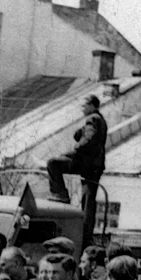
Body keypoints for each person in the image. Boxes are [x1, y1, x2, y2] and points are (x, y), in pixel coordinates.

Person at [46, 95, 107, 242]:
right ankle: (86, 234)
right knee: (88, 200)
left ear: (92, 105)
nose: (82, 109)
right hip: (95, 165)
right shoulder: (100, 120)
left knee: (53, 163)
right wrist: (80, 133)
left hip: (85, 163)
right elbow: (85, 135)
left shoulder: (92, 119)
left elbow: (88, 140)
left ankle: (61, 194)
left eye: (84, 106)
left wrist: (76, 147)